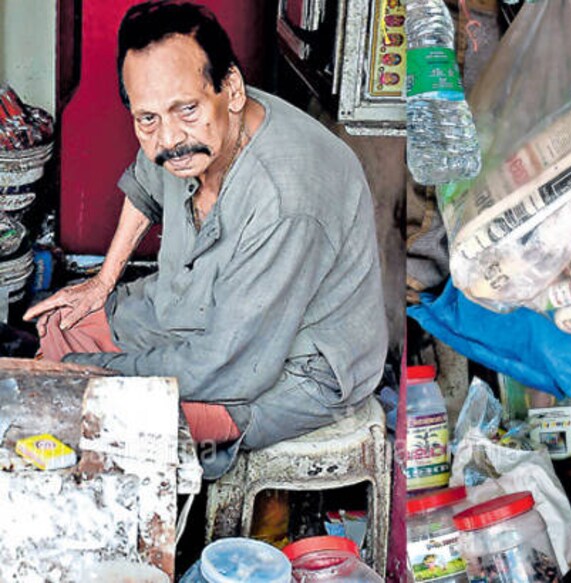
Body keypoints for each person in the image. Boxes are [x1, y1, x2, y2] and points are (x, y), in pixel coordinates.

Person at [23, 1, 388, 478]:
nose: (169, 138)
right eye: (147, 118)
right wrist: (102, 282)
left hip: (289, 367)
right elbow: (145, 185)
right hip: (199, 307)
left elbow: (227, 368)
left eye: (186, 110)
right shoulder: (187, 129)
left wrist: (88, 375)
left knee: (108, 418)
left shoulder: (285, 198)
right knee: (60, 325)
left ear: (231, 89)